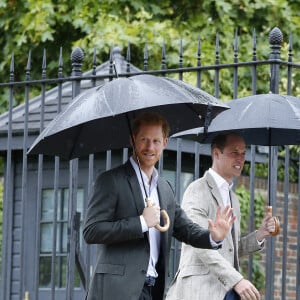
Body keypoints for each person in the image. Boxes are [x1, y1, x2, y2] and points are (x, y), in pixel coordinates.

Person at [83, 112, 235, 300]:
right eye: (144, 140)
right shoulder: (110, 181)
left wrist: (212, 237)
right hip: (116, 291)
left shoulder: (164, 187)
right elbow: (91, 231)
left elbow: (184, 228)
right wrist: (141, 222)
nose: (149, 147)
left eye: (156, 141)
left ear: (165, 142)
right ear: (132, 140)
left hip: (152, 289)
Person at [166, 132, 276, 300]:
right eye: (234, 152)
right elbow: (200, 243)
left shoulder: (234, 199)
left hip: (226, 290)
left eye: (243, 153)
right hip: (199, 291)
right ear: (216, 153)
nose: (240, 158)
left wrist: (260, 234)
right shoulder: (197, 190)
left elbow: (230, 250)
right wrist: (236, 280)